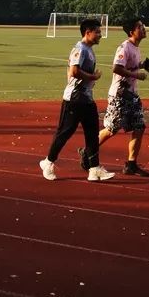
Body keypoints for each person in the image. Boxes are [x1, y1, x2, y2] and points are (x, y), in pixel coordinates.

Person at [38, 18, 114, 182]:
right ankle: (48, 162)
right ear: (88, 32)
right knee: (65, 132)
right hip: (74, 99)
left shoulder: (89, 49)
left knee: (92, 133)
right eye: (98, 32)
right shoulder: (80, 49)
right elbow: (73, 71)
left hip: (86, 98)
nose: (101, 35)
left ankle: (94, 169)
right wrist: (92, 77)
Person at [90, 18, 149, 176]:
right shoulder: (124, 47)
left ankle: (131, 164)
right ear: (132, 32)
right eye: (140, 27)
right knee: (112, 128)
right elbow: (116, 68)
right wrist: (136, 74)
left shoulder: (136, 48)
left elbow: (128, 66)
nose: (143, 28)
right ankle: (88, 151)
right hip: (119, 94)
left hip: (131, 94)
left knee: (139, 127)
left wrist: (142, 65)